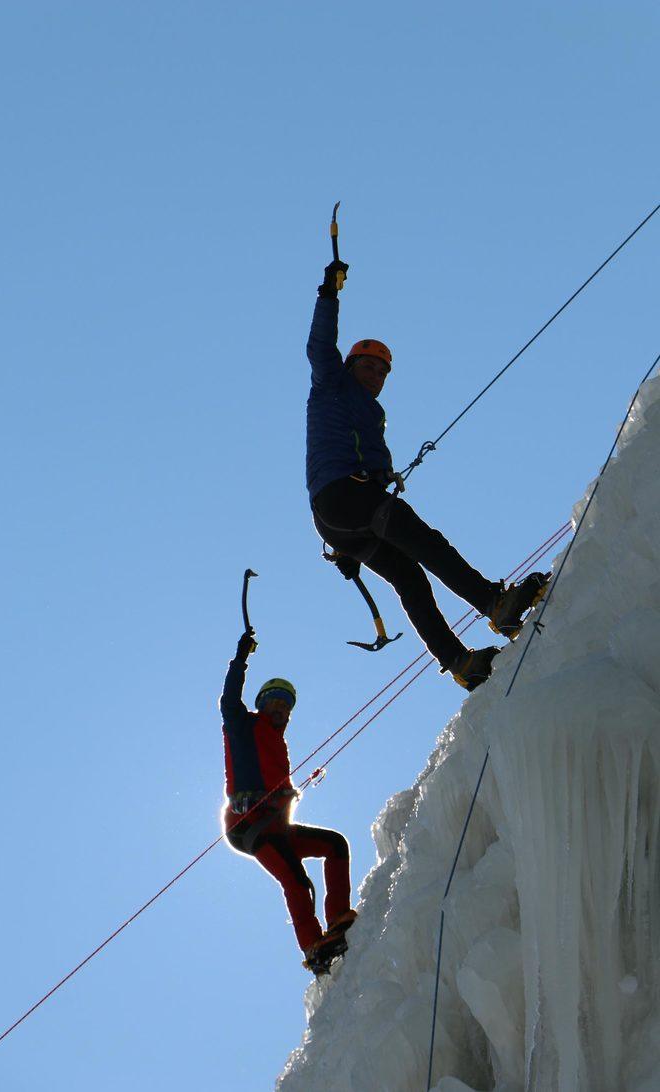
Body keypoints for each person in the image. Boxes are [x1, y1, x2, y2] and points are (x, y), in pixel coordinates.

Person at [306, 259, 549, 690]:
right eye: (369, 366)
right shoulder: (331, 383)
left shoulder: (369, 410)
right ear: (349, 366)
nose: (376, 376)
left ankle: (460, 663)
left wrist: (347, 547)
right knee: (426, 543)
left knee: (409, 577)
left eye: (382, 372)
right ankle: (494, 603)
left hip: (340, 515)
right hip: (345, 496)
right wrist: (329, 293)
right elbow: (320, 346)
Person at [220, 629, 357, 974]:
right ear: (261, 705)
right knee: (296, 881)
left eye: (286, 704)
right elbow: (228, 702)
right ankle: (313, 947)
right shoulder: (244, 727)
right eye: (274, 700)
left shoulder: (278, 744)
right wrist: (241, 658)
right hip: (250, 826)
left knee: (335, 845)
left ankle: (338, 918)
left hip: (275, 826)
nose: (280, 707)